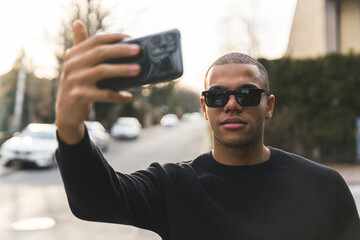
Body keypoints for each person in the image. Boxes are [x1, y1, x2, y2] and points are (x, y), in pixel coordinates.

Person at [55, 21, 360, 240]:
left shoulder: (324, 186)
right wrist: (70, 127)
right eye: (217, 95)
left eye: (247, 94)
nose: (231, 104)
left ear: (269, 106)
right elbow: (94, 200)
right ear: (204, 107)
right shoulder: (173, 185)